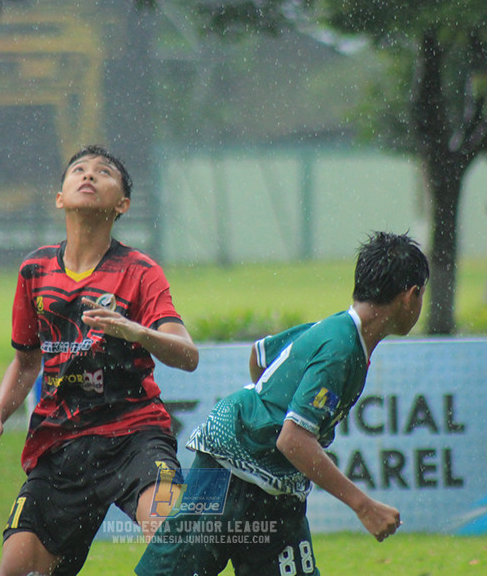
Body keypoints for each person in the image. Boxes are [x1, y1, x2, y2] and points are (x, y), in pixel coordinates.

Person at [136, 231, 430, 576]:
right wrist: (363, 506)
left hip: (276, 488)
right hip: (227, 472)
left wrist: (267, 400)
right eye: (422, 294)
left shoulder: (332, 329)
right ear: (410, 296)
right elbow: (292, 439)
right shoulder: (340, 350)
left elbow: (260, 355)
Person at [0, 145, 198, 576]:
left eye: (104, 172)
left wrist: (135, 331)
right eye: (78, 170)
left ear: (122, 204)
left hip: (135, 434)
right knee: (16, 571)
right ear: (60, 198)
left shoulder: (140, 271)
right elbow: (25, 362)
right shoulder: (34, 271)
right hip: (60, 444)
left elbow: (187, 355)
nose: (88, 176)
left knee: (173, 546)